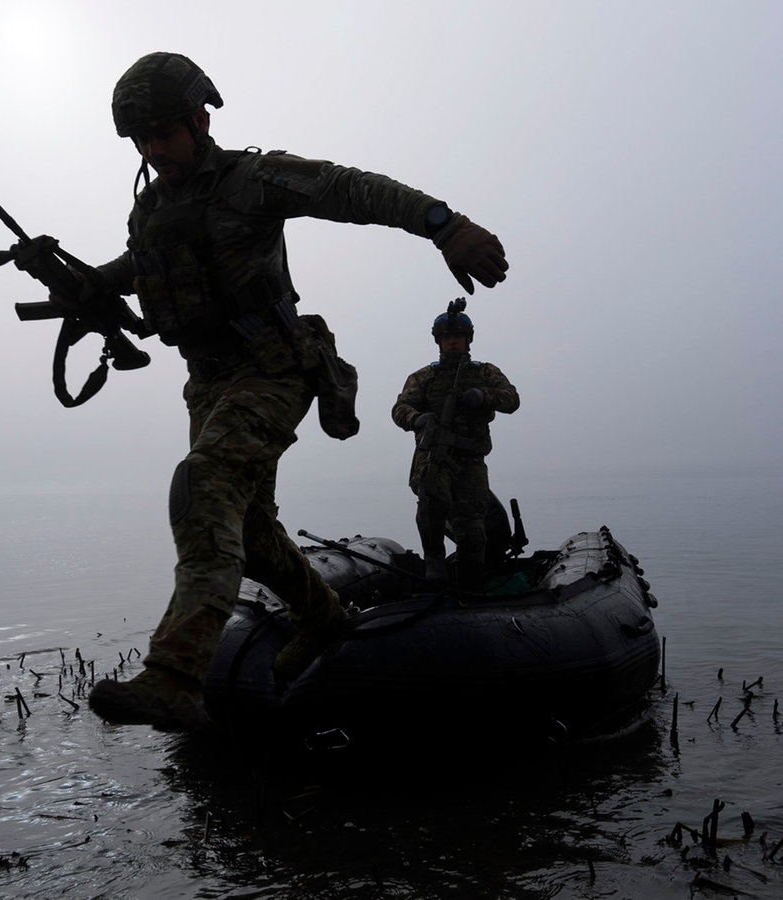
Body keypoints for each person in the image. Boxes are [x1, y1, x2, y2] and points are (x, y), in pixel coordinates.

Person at [85, 51, 509, 729]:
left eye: (164, 133)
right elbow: (144, 264)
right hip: (209, 383)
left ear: (200, 118)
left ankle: (174, 676)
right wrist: (93, 283)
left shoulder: (253, 179)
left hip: (274, 367)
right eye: (143, 140)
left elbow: (348, 189)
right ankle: (322, 617)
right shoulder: (155, 207)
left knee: (208, 481)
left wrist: (443, 224)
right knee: (249, 535)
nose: (155, 150)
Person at [392, 299, 519, 589]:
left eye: (457, 337)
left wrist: (484, 396)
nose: (452, 342)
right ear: (439, 341)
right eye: (447, 338)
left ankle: (469, 587)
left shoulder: (485, 372)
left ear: (467, 340)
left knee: (473, 531)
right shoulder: (424, 377)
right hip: (434, 455)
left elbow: (512, 399)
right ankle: (434, 558)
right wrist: (418, 419)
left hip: (471, 461)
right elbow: (400, 409)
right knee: (431, 505)